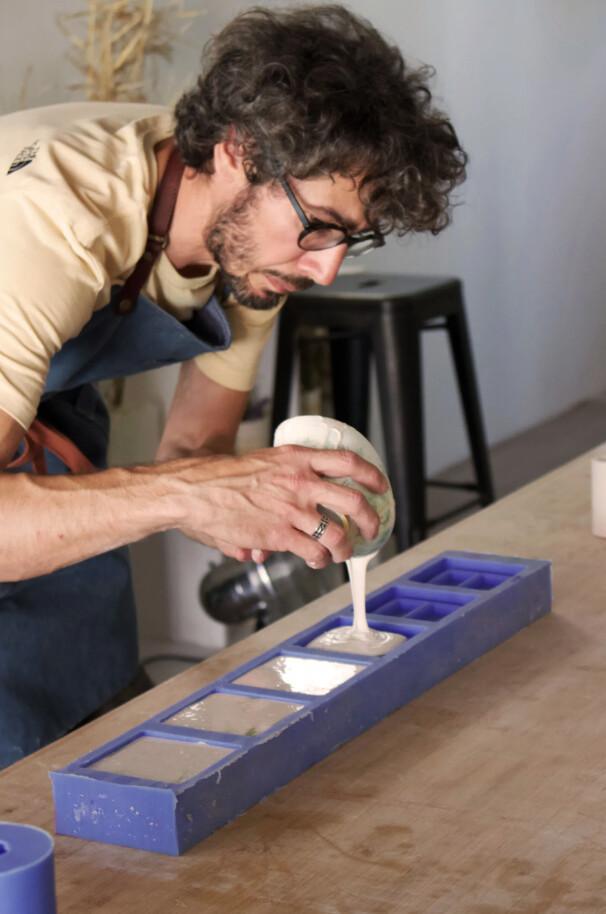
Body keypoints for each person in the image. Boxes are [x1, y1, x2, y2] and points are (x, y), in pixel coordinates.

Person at [0, 4, 467, 767]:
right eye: (320, 226)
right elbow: (184, 483)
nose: (327, 269)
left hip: (40, 427)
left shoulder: (251, 244)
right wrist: (189, 495)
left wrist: (267, 507)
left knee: (99, 726)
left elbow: (195, 446)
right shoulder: (56, 221)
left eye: (349, 238)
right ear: (237, 150)